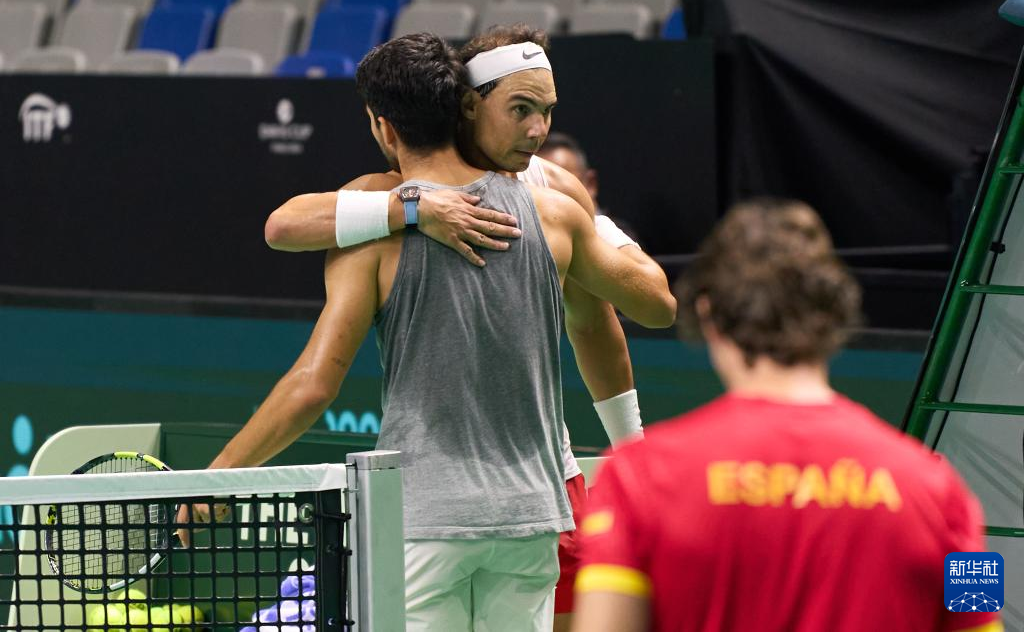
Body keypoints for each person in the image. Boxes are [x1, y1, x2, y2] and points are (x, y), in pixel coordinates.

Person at [180, 33, 676, 631]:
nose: (538, 128)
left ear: (383, 126)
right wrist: (591, 222)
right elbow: (657, 308)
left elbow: (313, 384)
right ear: (463, 107)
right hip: (529, 519)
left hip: (424, 520)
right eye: (523, 109)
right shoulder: (555, 214)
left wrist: (220, 476)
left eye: (545, 111)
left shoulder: (367, 224)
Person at [572, 199, 1001, 632]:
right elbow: (983, 616)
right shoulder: (941, 488)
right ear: (836, 313)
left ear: (708, 314)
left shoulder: (638, 478)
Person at [537, 131, 640, 247]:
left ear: (591, 184)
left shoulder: (618, 235)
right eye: (539, 183)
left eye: (559, 183)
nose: (551, 195)